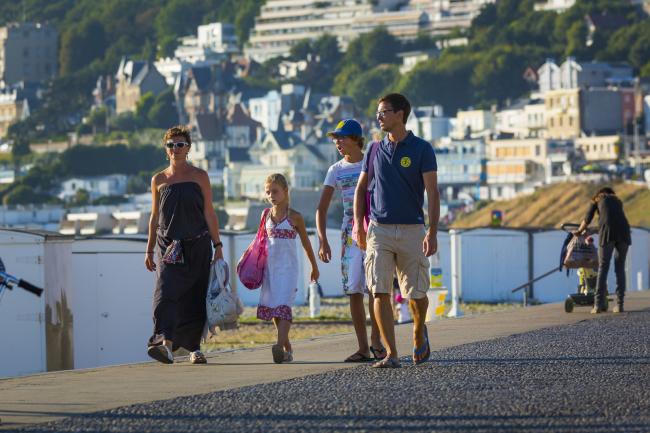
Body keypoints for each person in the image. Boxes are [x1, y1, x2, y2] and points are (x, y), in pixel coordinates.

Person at [354, 93, 440, 368]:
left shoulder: (422, 149)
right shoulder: (374, 149)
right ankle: (391, 353)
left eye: (384, 112)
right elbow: (360, 189)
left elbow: (432, 192)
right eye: (378, 112)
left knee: (416, 293)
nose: (378, 117)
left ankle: (418, 331)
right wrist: (359, 224)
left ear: (400, 114)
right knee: (378, 290)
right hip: (379, 230)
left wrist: (433, 231)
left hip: (413, 228)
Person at [145, 125, 224, 365]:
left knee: (195, 295)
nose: (176, 149)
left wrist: (218, 244)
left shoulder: (200, 176)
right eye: (171, 145)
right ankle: (164, 345)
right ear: (165, 149)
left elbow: (209, 212)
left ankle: (194, 348)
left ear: (188, 148)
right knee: (165, 294)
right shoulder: (158, 179)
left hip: (198, 243)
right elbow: (154, 215)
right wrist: (149, 249)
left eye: (180, 144)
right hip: (168, 247)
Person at [316, 119, 386, 363]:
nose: (337, 142)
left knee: (376, 288)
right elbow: (321, 209)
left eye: (342, 137)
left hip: (376, 231)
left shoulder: (374, 160)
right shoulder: (335, 169)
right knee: (354, 289)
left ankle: (377, 341)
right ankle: (363, 347)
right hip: (350, 233)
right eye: (335, 138)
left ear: (356, 138)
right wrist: (323, 240)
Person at [259, 173, 319, 363]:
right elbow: (259, 243)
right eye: (268, 192)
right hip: (270, 270)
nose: (271, 196)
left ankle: (278, 345)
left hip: (288, 269)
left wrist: (314, 267)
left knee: (284, 306)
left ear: (285, 191)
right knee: (275, 309)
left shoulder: (295, 217)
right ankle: (287, 348)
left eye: (275, 191)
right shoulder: (265, 215)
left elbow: (307, 244)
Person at [574, 187, 631, 314]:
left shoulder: (597, 200)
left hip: (608, 235)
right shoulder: (617, 201)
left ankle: (597, 305)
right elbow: (611, 221)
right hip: (624, 233)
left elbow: (587, 219)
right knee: (620, 268)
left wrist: (579, 231)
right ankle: (620, 305)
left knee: (603, 267)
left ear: (599, 193)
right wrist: (594, 230)